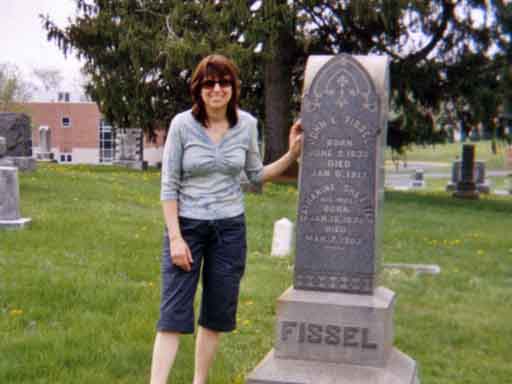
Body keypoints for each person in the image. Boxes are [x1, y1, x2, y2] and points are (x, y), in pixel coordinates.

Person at [150, 54, 302, 384]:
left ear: (233, 88)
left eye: (224, 82)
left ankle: (199, 381)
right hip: (187, 227)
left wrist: (291, 155)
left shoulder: (246, 124)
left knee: (216, 313)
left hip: (229, 230)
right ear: (198, 89)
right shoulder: (181, 125)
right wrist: (175, 238)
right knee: (173, 314)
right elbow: (169, 185)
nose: (217, 89)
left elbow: (255, 175)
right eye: (209, 83)